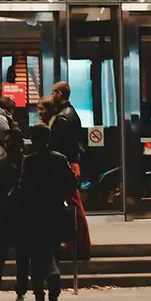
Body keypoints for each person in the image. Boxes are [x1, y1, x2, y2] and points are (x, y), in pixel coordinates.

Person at [18, 124, 77, 301]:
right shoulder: (59, 159)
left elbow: (23, 187)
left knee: (36, 262)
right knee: (52, 253)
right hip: (56, 213)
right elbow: (72, 183)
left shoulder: (30, 161)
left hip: (35, 215)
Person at [0, 124, 30, 301]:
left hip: (12, 215)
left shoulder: (18, 166)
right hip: (11, 215)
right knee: (7, 258)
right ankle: (3, 294)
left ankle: (6, 294)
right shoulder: (13, 166)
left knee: (8, 258)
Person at [50, 82, 92, 262]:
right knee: (73, 205)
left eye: (53, 93)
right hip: (70, 164)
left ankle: (81, 245)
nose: (51, 96)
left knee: (74, 206)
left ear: (59, 94)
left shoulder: (63, 117)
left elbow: (57, 144)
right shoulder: (70, 114)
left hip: (66, 165)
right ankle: (76, 244)